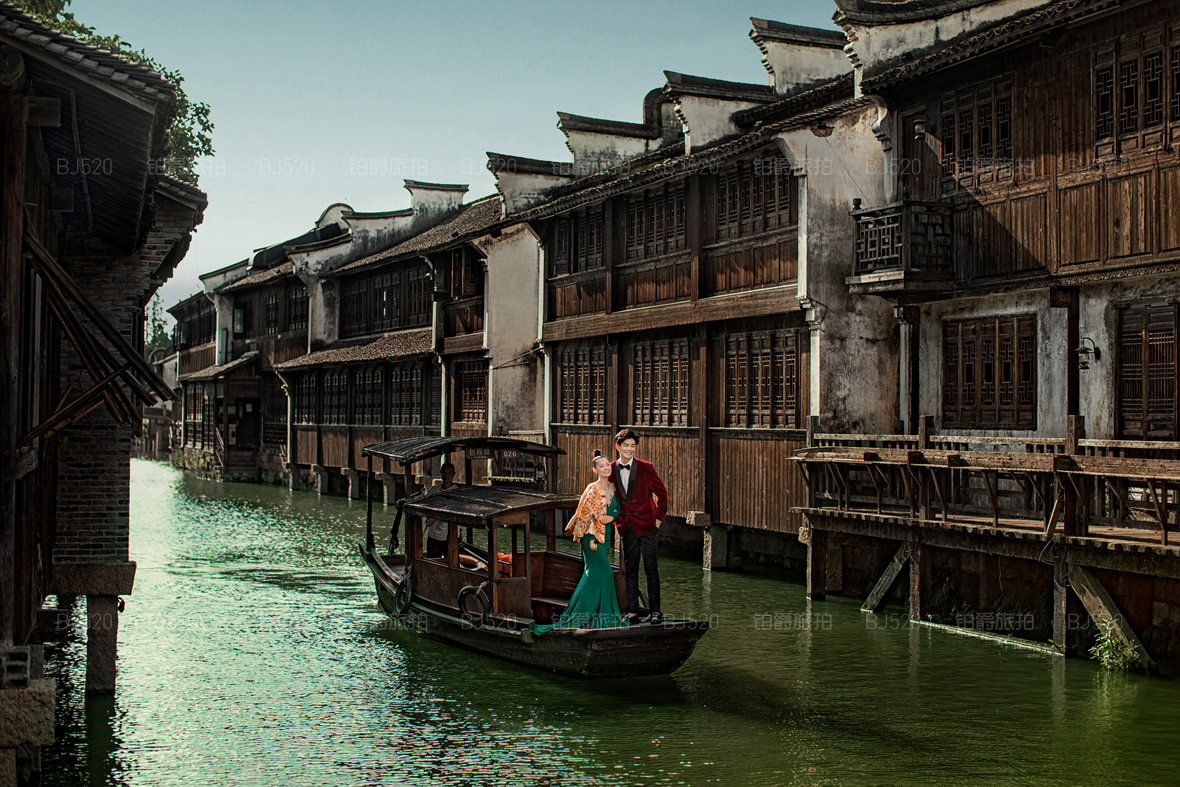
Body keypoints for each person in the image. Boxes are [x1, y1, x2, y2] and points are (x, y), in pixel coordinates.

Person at [533, 450, 626, 634]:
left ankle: (598, 617)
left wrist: (611, 516)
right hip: (592, 539)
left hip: (606, 537)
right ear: (595, 470)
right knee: (600, 573)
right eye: (602, 466)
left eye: (608, 465)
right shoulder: (591, 489)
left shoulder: (614, 489)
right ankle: (577, 617)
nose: (606, 468)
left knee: (597, 575)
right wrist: (590, 539)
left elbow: (619, 509)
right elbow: (584, 516)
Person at [610, 428, 668, 624]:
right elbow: (608, 498)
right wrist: (616, 520)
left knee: (651, 568)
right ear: (618, 446)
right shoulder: (611, 469)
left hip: (649, 524)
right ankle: (632, 610)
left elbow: (662, 494)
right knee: (631, 569)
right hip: (627, 526)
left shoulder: (646, 467)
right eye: (625, 445)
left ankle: (655, 612)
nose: (629, 449)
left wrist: (659, 518)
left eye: (633, 446)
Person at [423, 462, 457, 559]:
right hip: (434, 536)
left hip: (450, 535)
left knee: (451, 561)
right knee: (433, 560)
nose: (446, 476)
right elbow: (425, 503)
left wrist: (435, 518)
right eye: (444, 473)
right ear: (441, 473)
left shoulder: (456, 492)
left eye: (449, 473)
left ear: (454, 474)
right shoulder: (434, 490)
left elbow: (451, 510)